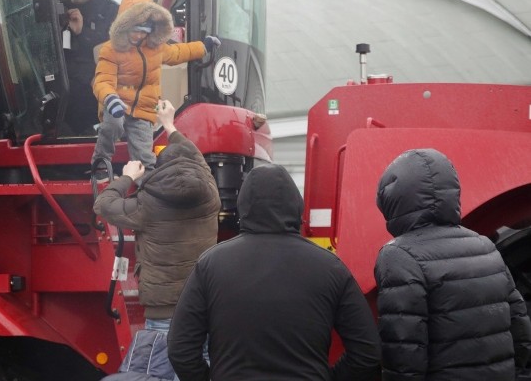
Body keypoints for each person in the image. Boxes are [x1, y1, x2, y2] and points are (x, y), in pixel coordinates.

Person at [168, 163, 381, 381]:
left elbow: (180, 349)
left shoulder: (210, 265)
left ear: (244, 205)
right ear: (296, 206)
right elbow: (367, 353)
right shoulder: (331, 267)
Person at [374, 148, 531, 381]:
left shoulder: (398, 255)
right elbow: (519, 326)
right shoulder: (485, 246)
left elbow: (403, 352)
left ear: (393, 200)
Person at [93, 98, 220, 335]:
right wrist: (169, 126)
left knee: (162, 368)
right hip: (203, 308)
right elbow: (195, 157)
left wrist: (127, 177)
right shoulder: (211, 192)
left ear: (159, 169)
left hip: (163, 313)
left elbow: (104, 205)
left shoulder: (148, 203)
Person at [91, 0, 219, 171]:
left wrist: (203, 47)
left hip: (144, 110)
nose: (139, 35)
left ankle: (147, 186)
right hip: (116, 104)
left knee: (145, 155)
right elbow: (102, 81)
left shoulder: (156, 48)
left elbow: (178, 52)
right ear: (123, 26)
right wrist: (110, 98)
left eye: (144, 31)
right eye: (134, 30)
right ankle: (100, 164)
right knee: (113, 125)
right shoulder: (110, 49)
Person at [62, 0, 119, 135]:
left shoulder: (111, 10)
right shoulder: (60, 6)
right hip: (66, 66)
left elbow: (112, 44)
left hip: (96, 72)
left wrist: (81, 32)